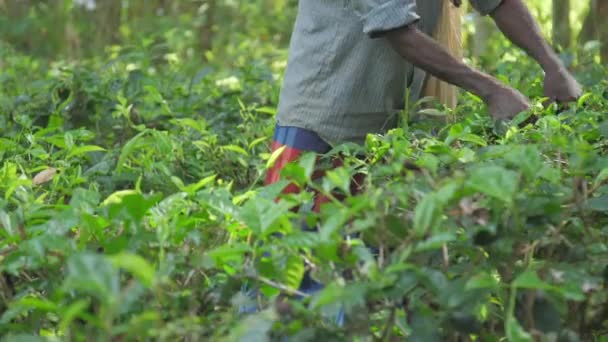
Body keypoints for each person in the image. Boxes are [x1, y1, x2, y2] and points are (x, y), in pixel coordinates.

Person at [260, 0, 582, 310]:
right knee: (296, 281)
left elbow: (499, 2)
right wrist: (492, 91)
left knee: (377, 282)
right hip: (319, 124)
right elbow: (395, 25)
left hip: (390, 132)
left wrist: (552, 66)